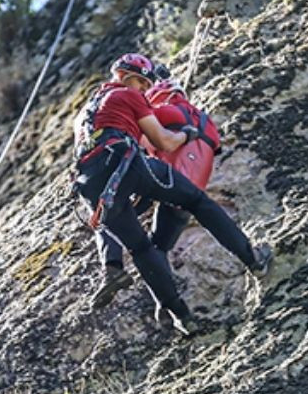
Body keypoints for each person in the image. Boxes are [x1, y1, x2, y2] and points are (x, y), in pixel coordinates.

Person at [73, 53, 270, 335]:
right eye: (142, 83)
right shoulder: (128, 95)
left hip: (90, 183)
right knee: (197, 201)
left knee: (140, 247)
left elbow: (126, 136)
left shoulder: (84, 115)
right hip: (123, 162)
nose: (143, 90)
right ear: (129, 77)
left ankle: (182, 317)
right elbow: (162, 141)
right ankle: (254, 260)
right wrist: (186, 136)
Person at [91, 79, 221, 309]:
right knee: (159, 246)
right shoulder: (204, 121)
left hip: (165, 183)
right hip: (189, 193)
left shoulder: (163, 110)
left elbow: (150, 138)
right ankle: (166, 304)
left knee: (114, 221)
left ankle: (159, 300)